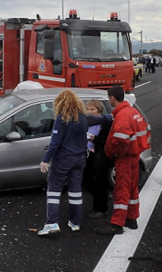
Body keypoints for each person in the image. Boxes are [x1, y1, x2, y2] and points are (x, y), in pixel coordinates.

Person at [96, 86, 149, 235]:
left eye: (109, 98)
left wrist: (115, 154)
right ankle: (131, 219)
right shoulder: (133, 112)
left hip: (125, 158)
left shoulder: (122, 115)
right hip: (134, 156)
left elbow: (121, 140)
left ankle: (117, 224)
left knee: (121, 190)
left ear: (112, 98)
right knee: (132, 189)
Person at [38, 89, 88, 236]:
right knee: (75, 191)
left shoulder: (62, 119)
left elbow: (55, 142)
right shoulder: (84, 118)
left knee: (54, 190)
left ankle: (52, 223)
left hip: (63, 159)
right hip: (80, 159)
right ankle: (75, 222)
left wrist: (45, 160)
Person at [83, 99, 112, 219]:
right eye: (88, 109)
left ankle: (100, 209)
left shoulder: (105, 123)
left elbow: (107, 141)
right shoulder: (87, 122)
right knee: (87, 181)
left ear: (99, 111)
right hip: (88, 154)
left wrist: (94, 139)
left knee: (99, 182)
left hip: (100, 156)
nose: (89, 112)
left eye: (92, 109)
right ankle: (103, 197)